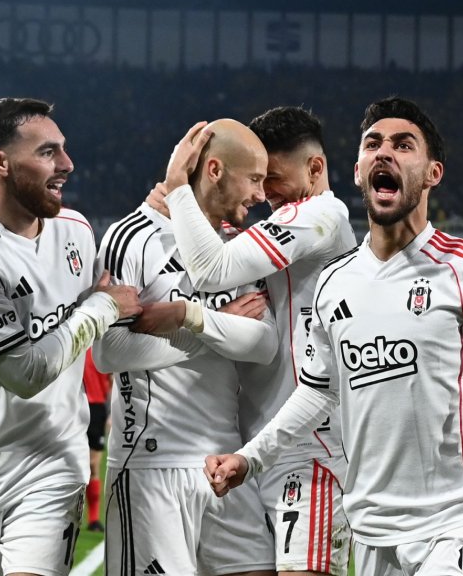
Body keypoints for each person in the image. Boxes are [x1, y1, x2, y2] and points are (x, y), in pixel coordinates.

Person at [206, 98, 463, 576]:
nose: (385, 153)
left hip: (459, 522)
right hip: (371, 528)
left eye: (403, 145)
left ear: (433, 173)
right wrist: (250, 459)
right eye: (374, 144)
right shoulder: (334, 284)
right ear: (358, 171)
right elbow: (318, 392)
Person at [0, 97, 140, 576]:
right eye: (47, 152)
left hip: (53, 463)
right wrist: (102, 306)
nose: (67, 164)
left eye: (64, 150)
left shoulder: (76, 231)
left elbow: (112, 323)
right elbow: (25, 371)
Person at [157, 106, 358, 576]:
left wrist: (178, 186)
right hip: (259, 447)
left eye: (275, 180)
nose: (264, 194)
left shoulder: (320, 215)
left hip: (313, 450)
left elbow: (211, 270)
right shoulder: (285, 225)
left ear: (315, 168)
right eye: (259, 180)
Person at [94, 119, 280, 576]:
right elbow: (109, 352)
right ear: (214, 169)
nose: (262, 195)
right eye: (254, 179)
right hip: (152, 466)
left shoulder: (235, 247)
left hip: (227, 464)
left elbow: (264, 344)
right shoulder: (131, 237)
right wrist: (214, 331)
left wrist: (191, 319)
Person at [81, 347, 110, 532]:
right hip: (74, 406)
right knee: (73, 464)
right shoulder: (73, 341)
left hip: (97, 408)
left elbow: (115, 380)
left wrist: (113, 413)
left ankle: (93, 519)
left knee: (93, 465)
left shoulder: (103, 346)